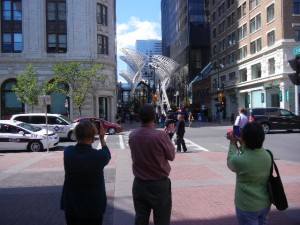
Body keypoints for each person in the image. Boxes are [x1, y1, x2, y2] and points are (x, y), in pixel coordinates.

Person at [129, 105, 175, 225]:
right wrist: (166, 138)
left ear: (139, 118)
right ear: (154, 118)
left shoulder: (132, 135)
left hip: (139, 183)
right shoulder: (161, 136)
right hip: (158, 185)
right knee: (162, 220)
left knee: (141, 218)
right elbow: (171, 156)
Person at [61, 121, 111, 225]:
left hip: (72, 206)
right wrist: (102, 139)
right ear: (93, 137)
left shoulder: (68, 152)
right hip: (93, 208)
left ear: (76, 135)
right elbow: (107, 153)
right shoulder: (99, 156)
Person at [227, 122, 272, 225]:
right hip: (264, 203)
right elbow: (251, 154)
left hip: (247, 206)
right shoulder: (268, 155)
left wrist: (233, 144)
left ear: (245, 138)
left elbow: (230, 161)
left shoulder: (240, 161)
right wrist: (243, 145)